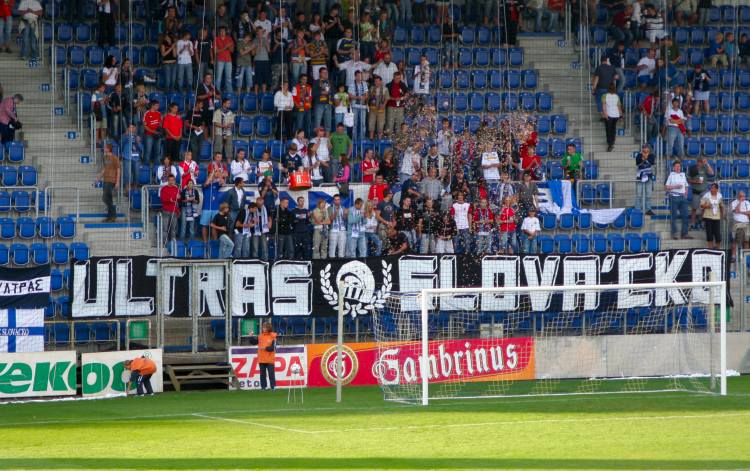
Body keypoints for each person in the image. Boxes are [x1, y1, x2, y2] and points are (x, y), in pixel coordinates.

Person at [665, 161, 691, 240]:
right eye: (676, 166)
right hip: (674, 196)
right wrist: (675, 186)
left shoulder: (683, 174)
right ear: (673, 167)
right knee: (674, 216)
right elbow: (666, 187)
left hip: (683, 197)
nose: (678, 167)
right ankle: (674, 234)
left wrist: (686, 194)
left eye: (679, 166)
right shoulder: (671, 175)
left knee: (686, 216)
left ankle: (684, 233)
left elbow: (686, 185)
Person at [687, 157, 715, 230]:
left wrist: (707, 163)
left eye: (701, 161)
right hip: (695, 190)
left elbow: (712, 173)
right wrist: (695, 181)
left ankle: (702, 223)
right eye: (698, 161)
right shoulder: (692, 168)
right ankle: (692, 223)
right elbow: (688, 180)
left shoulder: (705, 167)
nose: (700, 163)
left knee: (704, 208)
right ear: (697, 161)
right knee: (694, 208)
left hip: (704, 191)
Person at [97, 144, 120, 223]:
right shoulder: (105, 157)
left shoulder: (115, 158)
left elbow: (118, 170)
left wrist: (117, 182)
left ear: (108, 149)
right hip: (106, 180)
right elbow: (104, 169)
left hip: (112, 180)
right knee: (108, 199)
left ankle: (113, 215)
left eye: (105, 147)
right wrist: (98, 178)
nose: (104, 148)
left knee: (106, 198)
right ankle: (110, 217)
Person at [251, 323, 277, 390]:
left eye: (265, 327)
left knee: (271, 374)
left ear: (269, 328)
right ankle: (263, 387)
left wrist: (264, 348)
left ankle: (273, 387)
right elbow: (254, 342)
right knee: (262, 374)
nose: (263, 329)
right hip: (261, 358)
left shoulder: (273, 336)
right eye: (263, 327)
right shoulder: (260, 336)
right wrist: (251, 336)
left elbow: (272, 348)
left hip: (270, 359)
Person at [700, 183, 723, 249]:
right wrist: (707, 206)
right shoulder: (706, 196)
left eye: (713, 188)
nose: (711, 189)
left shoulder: (720, 196)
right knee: (709, 235)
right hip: (708, 217)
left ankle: (718, 249)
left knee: (718, 235)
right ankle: (710, 249)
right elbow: (701, 205)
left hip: (717, 217)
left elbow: (721, 206)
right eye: (711, 188)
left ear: (716, 189)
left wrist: (722, 214)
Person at [160, 174, 181, 246]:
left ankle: (173, 244)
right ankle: (164, 244)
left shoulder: (176, 189)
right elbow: (163, 199)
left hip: (174, 211)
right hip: (166, 211)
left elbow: (178, 200)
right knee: (165, 229)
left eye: (173, 180)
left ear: (174, 181)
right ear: (168, 181)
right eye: (170, 180)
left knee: (173, 229)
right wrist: (170, 200)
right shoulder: (164, 189)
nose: (171, 182)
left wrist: (178, 210)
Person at [601, 83, 622, 152]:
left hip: (609, 115)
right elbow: (619, 107)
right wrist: (621, 115)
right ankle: (612, 142)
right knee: (613, 129)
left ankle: (610, 144)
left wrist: (605, 114)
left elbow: (604, 106)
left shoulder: (604, 95)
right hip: (616, 115)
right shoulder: (617, 96)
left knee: (608, 130)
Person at [635, 144, 655, 215]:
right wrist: (644, 158)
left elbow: (651, 162)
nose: (645, 149)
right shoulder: (638, 155)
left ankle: (648, 209)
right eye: (644, 148)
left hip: (648, 177)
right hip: (640, 177)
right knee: (638, 194)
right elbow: (638, 163)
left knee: (648, 194)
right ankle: (637, 209)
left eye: (647, 148)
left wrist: (645, 158)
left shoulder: (652, 155)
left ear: (649, 149)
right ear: (642, 149)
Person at [731, 192, 750, 262]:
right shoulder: (734, 202)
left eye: (744, 196)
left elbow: (749, 213)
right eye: (741, 196)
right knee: (736, 240)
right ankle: (733, 256)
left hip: (747, 223)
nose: (743, 197)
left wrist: (741, 211)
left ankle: (747, 258)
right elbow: (735, 211)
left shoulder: (747, 203)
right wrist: (739, 202)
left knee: (746, 241)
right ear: (738, 196)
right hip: (737, 224)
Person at [328, 194, 348, 258]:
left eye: (338, 200)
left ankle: (341, 262)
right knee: (332, 248)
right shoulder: (329, 208)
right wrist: (335, 213)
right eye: (335, 200)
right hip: (333, 230)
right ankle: (332, 263)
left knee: (342, 248)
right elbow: (330, 219)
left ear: (340, 200)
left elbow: (345, 219)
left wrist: (345, 215)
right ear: (333, 201)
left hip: (342, 230)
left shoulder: (343, 207)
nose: (337, 201)